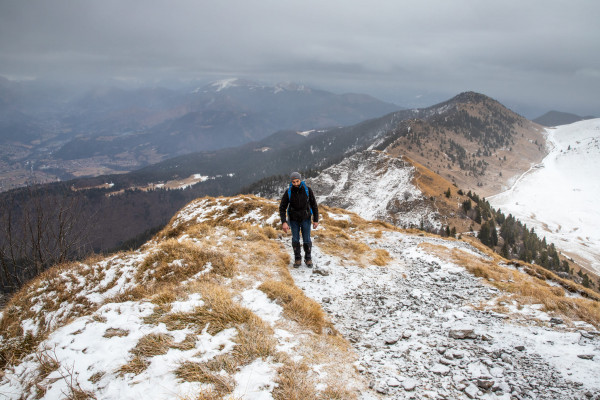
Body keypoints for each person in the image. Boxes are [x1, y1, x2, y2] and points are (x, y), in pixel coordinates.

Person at [279, 172, 319, 267]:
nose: (296, 183)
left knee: (306, 239)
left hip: (306, 218)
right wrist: (284, 222)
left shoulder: (307, 190)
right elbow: (282, 207)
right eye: (293, 182)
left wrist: (316, 220)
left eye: (297, 181)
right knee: (295, 239)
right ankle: (297, 258)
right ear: (291, 182)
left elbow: (314, 205)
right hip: (293, 220)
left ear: (300, 180)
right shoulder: (288, 191)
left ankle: (308, 258)